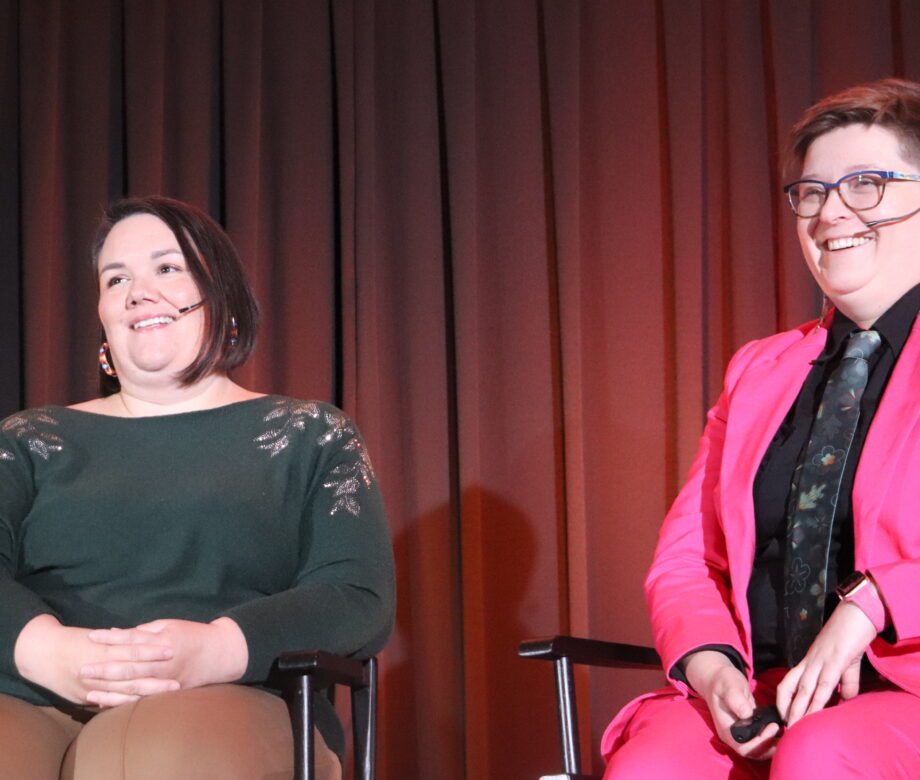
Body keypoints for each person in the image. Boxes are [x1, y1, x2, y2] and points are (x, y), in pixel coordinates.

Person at [0, 196, 395, 780]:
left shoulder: (310, 434)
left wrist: (215, 649)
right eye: (116, 278)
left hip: (235, 692)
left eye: (166, 267)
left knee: (164, 755)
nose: (138, 291)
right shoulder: (27, 439)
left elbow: (357, 595)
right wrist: (47, 650)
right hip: (31, 693)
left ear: (223, 294)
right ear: (104, 314)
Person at [602, 79, 920, 778]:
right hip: (770, 689)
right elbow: (687, 559)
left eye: (865, 184)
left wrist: (875, 602)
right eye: (811, 192)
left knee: (819, 753)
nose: (830, 212)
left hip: (903, 689)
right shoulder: (759, 369)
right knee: (651, 765)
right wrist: (711, 662)